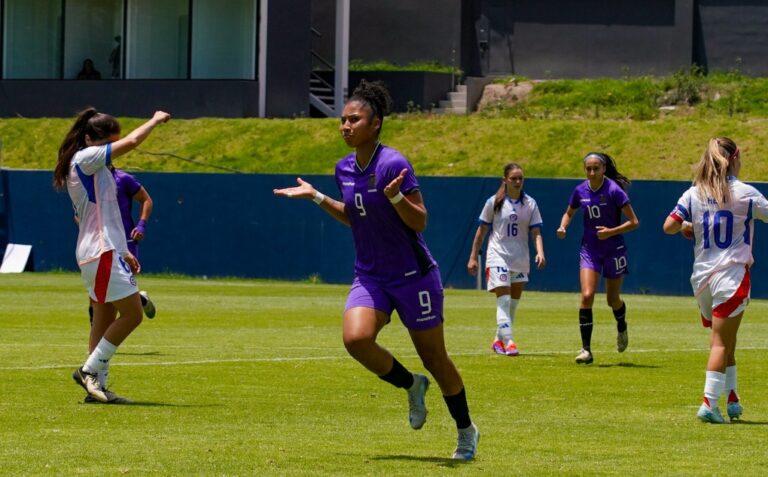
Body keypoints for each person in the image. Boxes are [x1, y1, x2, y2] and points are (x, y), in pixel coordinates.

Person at [273, 80, 479, 460]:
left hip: (413, 276)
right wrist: (317, 197)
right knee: (356, 339)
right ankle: (411, 385)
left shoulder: (394, 164)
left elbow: (420, 222)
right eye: (343, 120)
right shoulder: (344, 169)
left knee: (436, 359)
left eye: (354, 119)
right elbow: (356, 218)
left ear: (376, 123)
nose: (345, 126)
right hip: (371, 275)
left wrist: (397, 196)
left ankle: (466, 431)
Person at [54, 107, 170, 403]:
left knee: (103, 317)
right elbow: (131, 142)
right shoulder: (85, 158)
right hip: (99, 251)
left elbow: (105, 217)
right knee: (133, 314)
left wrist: (123, 251)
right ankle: (88, 370)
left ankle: (98, 389)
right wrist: (155, 120)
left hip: (102, 250)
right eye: (108, 143)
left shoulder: (96, 167)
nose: (111, 150)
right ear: (91, 139)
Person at [663, 137, 766, 423]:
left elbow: (669, 226)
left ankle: (732, 398)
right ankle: (709, 403)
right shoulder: (746, 193)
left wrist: (688, 226)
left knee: (727, 340)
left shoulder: (694, 193)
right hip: (731, 276)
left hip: (703, 280)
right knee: (721, 343)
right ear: (735, 158)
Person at [556, 152, 639, 364]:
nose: (592, 172)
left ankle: (621, 326)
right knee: (587, 295)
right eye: (588, 168)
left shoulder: (614, 190)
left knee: (612, 300)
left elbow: (634, 222)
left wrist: (611, 232)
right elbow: (569, 212)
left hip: (614, 249)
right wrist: (563, 226)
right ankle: (586, 350)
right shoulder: (580, 190)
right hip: (590, 250)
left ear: (603, 169)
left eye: (596, 168)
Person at [467, 163, 545, 357]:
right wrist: (473, 257)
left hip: (520, 258)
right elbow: (481, 231)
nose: (518, 182)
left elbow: (536, 232)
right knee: (504, 300)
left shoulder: (530, 204)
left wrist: (540, 252)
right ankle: (509, 342)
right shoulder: (493, 202)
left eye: (520, 178)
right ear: (505, 180)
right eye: (513, 178)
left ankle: (497, 340)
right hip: (497, 256)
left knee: (513, 304)